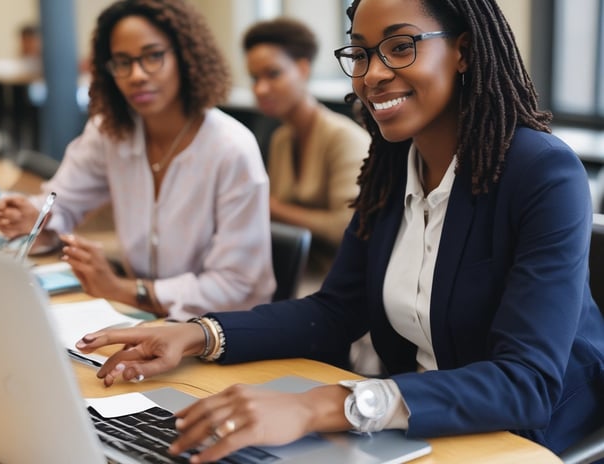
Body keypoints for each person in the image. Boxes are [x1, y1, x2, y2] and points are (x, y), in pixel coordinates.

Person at [75, 0, 604, 461]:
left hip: (525, 439)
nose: (371, 74)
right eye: (361, 53)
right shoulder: (394, 163)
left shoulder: (542, 173)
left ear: (463, 50)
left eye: (400, 47)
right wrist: (196, 333)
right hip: (409, 426)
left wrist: (325, 405)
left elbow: (525, 383)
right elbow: (335, 310)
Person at [0, 0, 275, 319]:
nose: (136, 75)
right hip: (143, 318)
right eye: (122, 62)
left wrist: (122, 288)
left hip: (219, 331)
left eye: (153, 56)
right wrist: (31, 215)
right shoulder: (112, 132)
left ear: (184, 56)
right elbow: (62, 202)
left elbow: (237, 288)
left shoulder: (231, 148)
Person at [243, 17, 370, 273]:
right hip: (293, 274)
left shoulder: (343, 138)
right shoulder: (282, 139)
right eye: (254, 78)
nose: (261, 88)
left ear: (303, 69)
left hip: (336, 282)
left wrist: (272, 207)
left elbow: (348, 227)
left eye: (273, 74)